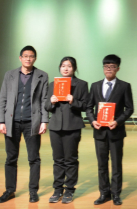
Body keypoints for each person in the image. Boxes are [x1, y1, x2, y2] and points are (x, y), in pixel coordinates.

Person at [0, 45, 49, 204]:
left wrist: (44, 120)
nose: (28, 59)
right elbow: (3, 98)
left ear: (35, 58)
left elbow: (44, 100)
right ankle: (10, 190)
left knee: (34, 158)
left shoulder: (42, 75)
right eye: (25, 56)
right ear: (20, 58)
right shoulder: (10, 75)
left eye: (31, 56)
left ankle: (33, 191)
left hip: (32, 122)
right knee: (11, 158)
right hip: (11, 122)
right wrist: (1, 121)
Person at [87, 55, 134, 206]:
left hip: (116, 132)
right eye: (106, 66)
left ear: (118, 69)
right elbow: (89, 107)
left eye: (112, 66)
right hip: (99, 132)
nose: (109, 69)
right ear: (103, 68)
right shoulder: (95, 86)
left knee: (116, 164)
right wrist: (93, 120)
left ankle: (116, 194)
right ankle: (104, 193)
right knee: (101, 165)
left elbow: (129, 108)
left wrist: (118, 121)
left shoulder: (124, 86)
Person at [45, 56, 90, 204]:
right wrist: (51, 102)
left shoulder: (81, 84)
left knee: (70, 160)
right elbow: (46, 106)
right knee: (58, 160)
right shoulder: (52, 84)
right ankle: (57, 189)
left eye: (69, 66)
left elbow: (86, 106)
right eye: (63, 65)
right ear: (60, 68)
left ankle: (69, 189)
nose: (66, 68)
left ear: (74, 68)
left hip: (73, 126)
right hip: (55, 127)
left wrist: (73, 101)